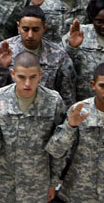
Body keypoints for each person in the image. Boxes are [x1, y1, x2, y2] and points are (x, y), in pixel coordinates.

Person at [0, 52, 67, 203]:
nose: (27, 83)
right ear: (13, 74)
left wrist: (53, 182)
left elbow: (59, 147)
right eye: (21, 77)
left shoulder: (53, 101)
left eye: (33, 77)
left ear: (40, 74)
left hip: (36, 185)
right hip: (1, 186)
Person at [0, 5, 77, 108]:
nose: (30, 35)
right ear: (18, 27)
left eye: (35, 30)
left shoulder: (58, 55)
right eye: (25, 29)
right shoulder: (4, 50)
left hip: (45, 112)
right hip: (10, 112)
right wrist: (2, 67)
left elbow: (67, 95)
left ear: (44, 28)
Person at [46, 62, 104, 203]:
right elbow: (56, 151)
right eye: (103, 86)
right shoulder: (79, 111)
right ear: (92, 85)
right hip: (77, 192)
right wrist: (70, 126)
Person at [63, 0, 104, 101]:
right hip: (83, 100)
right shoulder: (79, 33)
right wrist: (72, 47)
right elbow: (62, 64)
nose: (103, 26)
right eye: (99, 21)